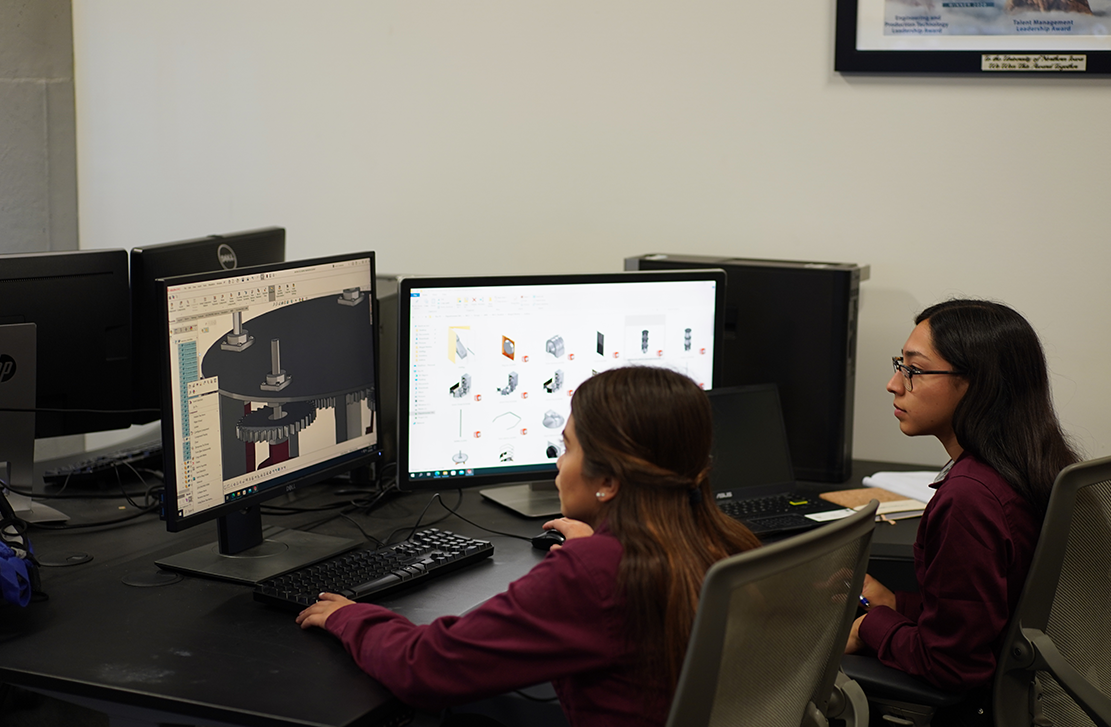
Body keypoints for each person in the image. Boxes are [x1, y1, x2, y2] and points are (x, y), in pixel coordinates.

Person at [296, 366, 760, 727]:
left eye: (568, 447)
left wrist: (350, 616)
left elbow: (426, 668)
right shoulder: (724, 541)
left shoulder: (596, 572)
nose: (559, 465)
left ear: (609, 481)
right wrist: (603, 544)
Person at [844, 300, 1079, 699]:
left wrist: (871, 626)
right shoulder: (1037, 465)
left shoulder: (970, 499)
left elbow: (953, 665)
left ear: (977, 384)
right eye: (899, 365)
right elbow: (990, 615)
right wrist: (898, 604)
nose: (894, 384)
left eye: (914, 370)